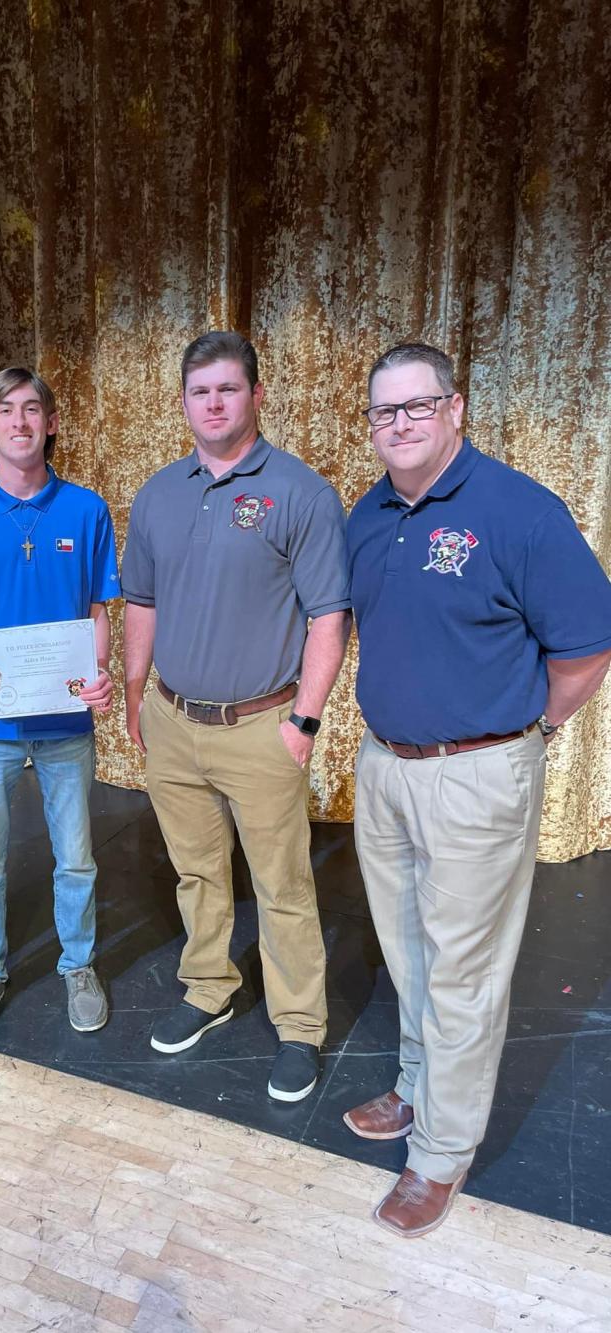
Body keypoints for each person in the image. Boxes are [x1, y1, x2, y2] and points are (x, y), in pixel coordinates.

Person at [345, 341, 611, 1237]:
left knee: (463, 971)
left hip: (477, 772)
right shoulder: (369, 513)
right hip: (385, 767)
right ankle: (419, 1090)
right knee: (409, 951)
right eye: (385, 412)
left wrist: (527, 732)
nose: (401, 424)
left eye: (418, 406)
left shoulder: (520, 511)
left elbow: (585, 646)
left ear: (456, 409)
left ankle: (441, 1155)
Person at [121, 331, 351, 1102]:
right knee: (195, 870)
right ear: (183, 402)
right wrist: (134, 692)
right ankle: (208, 988)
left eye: (227, 388)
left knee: (282, 884)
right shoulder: (158, 493)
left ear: (255, 395)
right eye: (199, 391)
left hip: (263, 725)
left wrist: (305, 723)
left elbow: (329, 616)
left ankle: (299, 1026)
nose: (213, 403)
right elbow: (142, 602)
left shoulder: (300, 492)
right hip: (173, 720)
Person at [0, 368, 119, 1042]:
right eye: (5, 411)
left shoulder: (87, 509)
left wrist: (101, 668)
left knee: (77, 859)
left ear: (52, 422)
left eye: (32, 409)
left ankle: (79, 964)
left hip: (65, 721)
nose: (19, 421)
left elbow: (97, 608)